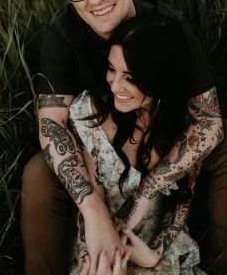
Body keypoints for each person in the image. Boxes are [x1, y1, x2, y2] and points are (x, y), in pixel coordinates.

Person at [20, 0, 226, 274]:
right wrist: (93, 211)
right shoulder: (63, 35)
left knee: (223, 149)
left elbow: (208, 120)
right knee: (39, 172)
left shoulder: (166, 27)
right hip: (96, 149)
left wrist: (148, 191)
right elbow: (52, 126)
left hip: (158, 141)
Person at [68, 15, 210, 275]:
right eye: (112, 69)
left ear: (160, 79)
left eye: (131, 78)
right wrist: (94, 256)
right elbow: (88, 199)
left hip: (158, 243)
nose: (115, 85)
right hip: (102, 240)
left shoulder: (186, 128)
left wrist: (154, 255)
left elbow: (182, 202)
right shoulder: (90, 114)